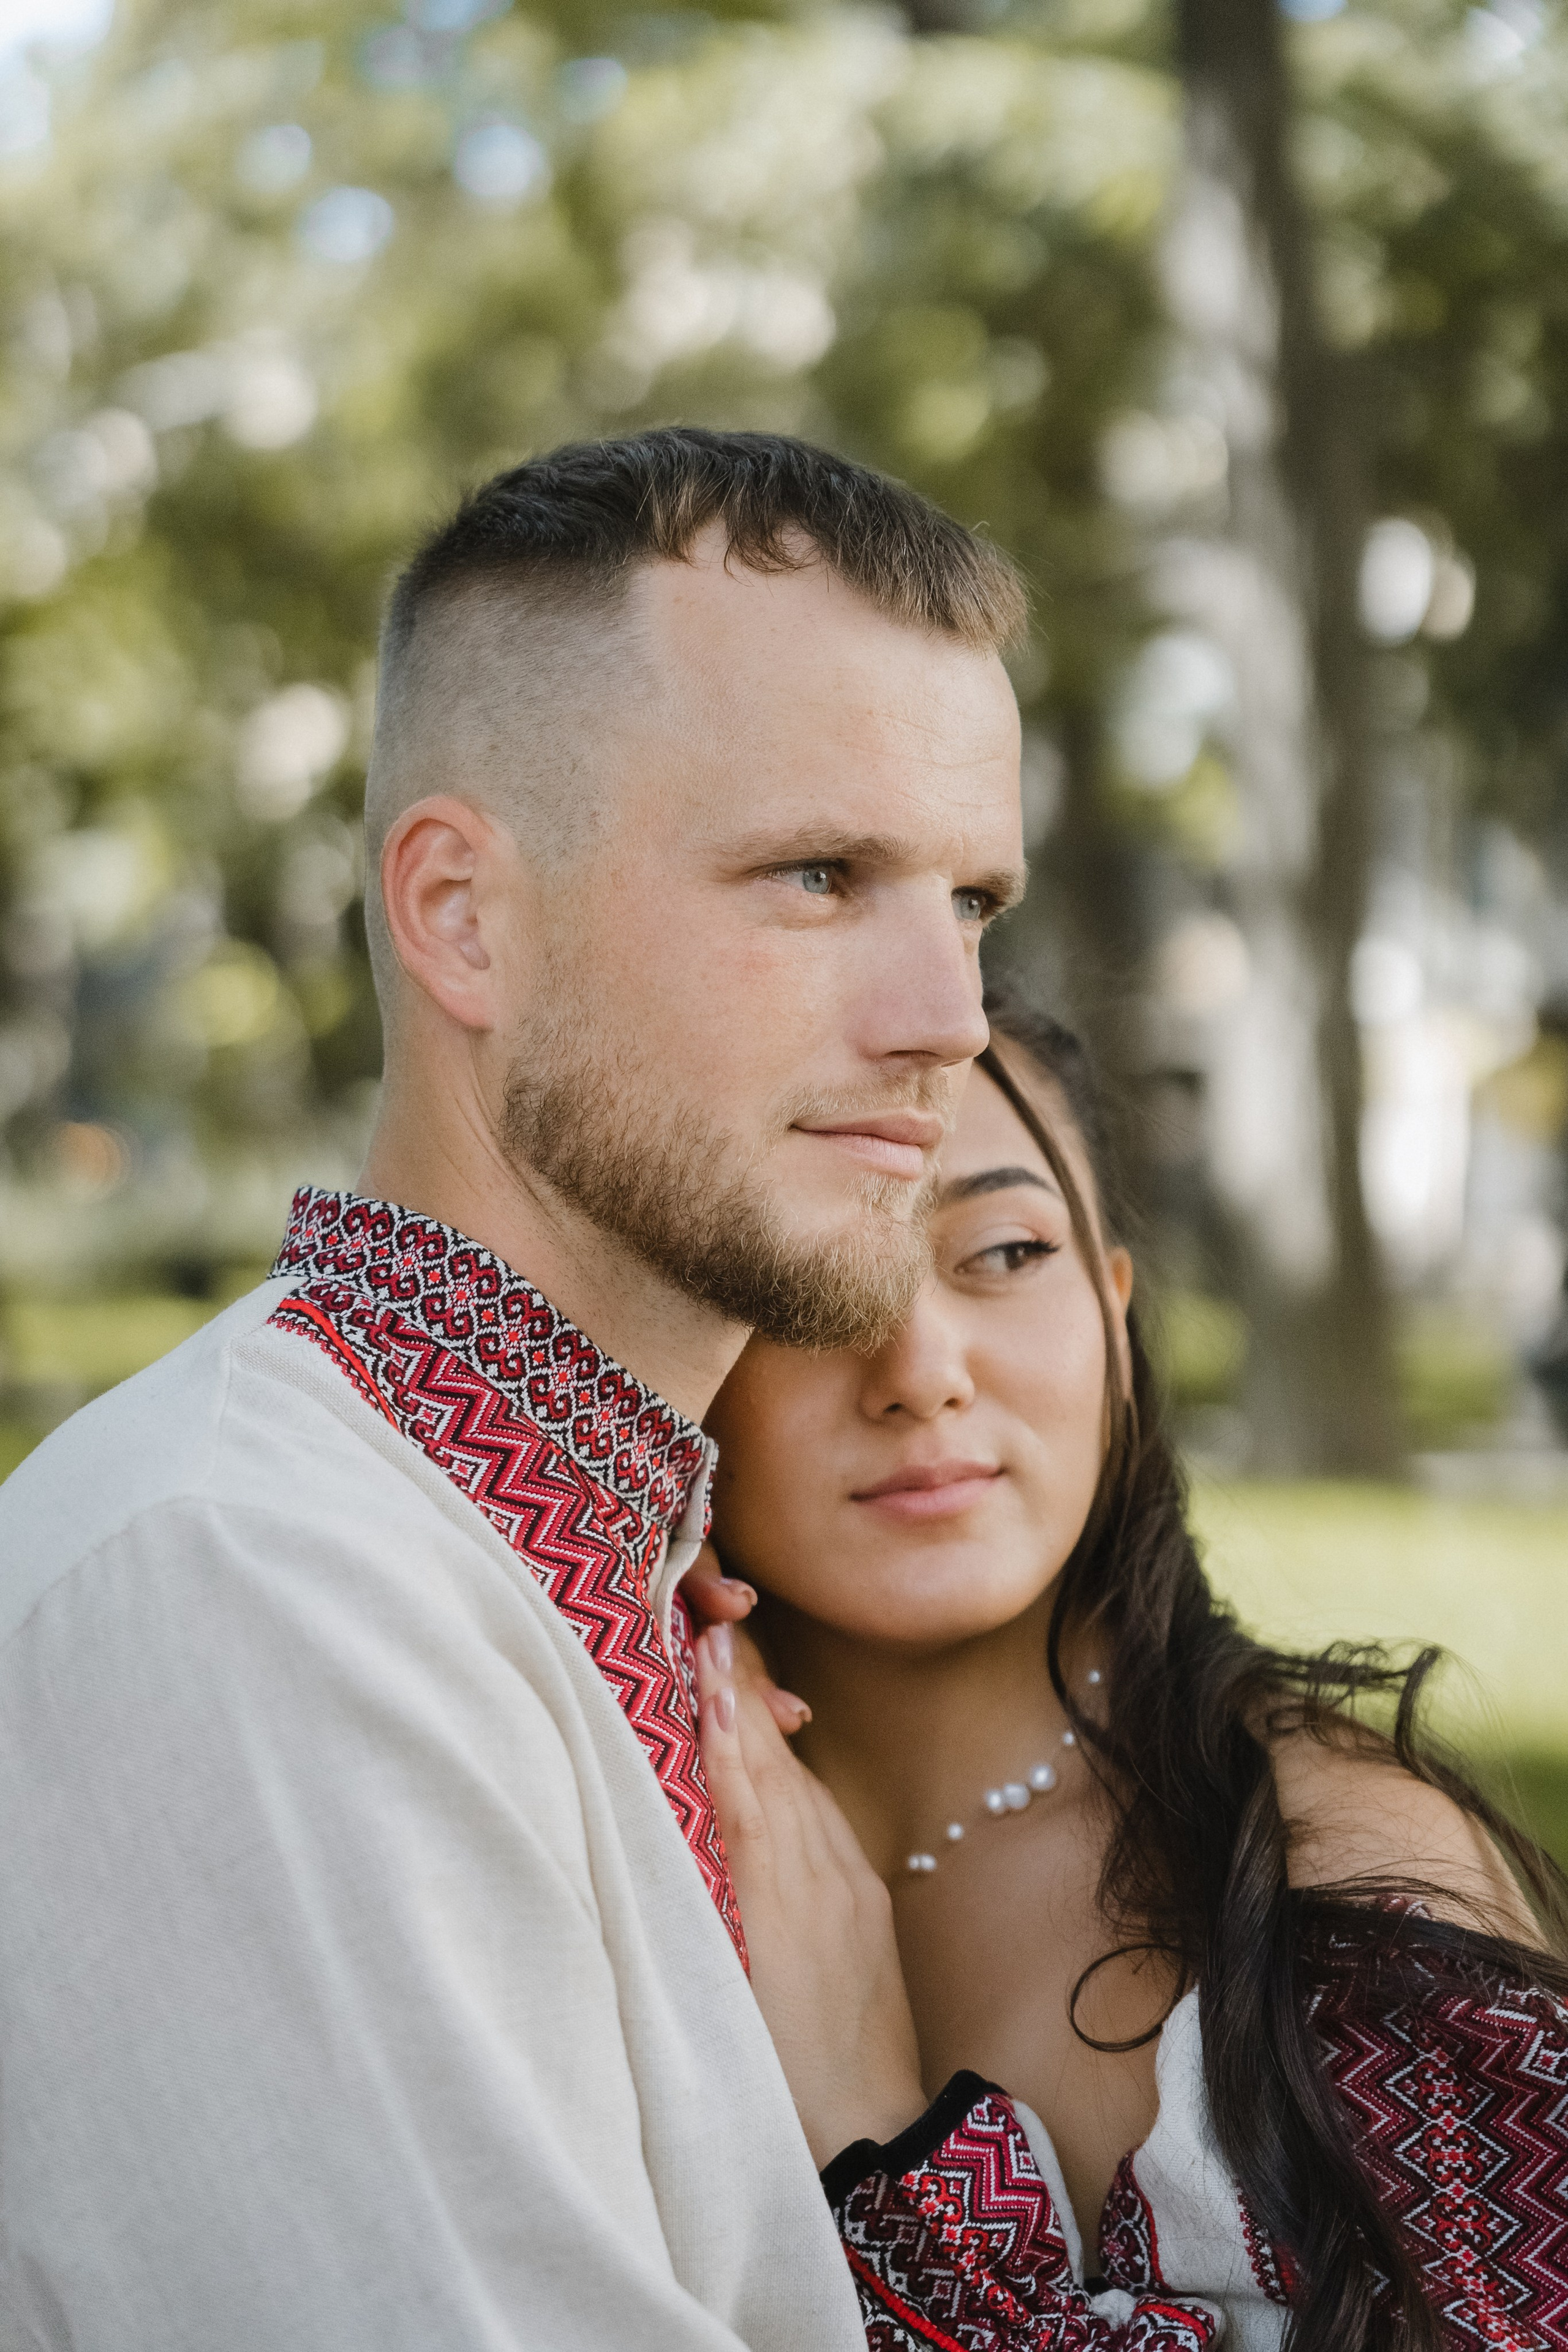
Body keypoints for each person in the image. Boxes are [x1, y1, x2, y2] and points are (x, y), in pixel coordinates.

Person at [0, 428, 1031, 2349]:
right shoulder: (249, 1591)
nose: (948, 1017)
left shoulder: (613, 1568)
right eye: (820, 874)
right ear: (463, 914)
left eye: (974, 901)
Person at [689, 986, 1568, 2352]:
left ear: (1109, 1308)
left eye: (1002, 1251)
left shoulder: (1330, 1881)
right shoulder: (598, 1831)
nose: (918, 1370)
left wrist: (886, 2158)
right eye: (815, 1279)